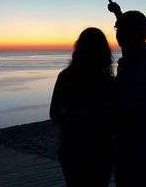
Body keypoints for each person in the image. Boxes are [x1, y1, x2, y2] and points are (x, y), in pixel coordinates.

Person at [107, 0, 146, 187]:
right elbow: (131, 31)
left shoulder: (133, 70)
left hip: (135, 151)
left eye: (118, 29)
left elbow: (115, 109)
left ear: (121, 37)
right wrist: (118, 13)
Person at [50, 27, 115, 187]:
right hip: (100, 149)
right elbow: (115, 118)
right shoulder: (108, 82)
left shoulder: (65, 76)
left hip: (71, 147)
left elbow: (54, 113)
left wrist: (72, 116)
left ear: (78, 49)